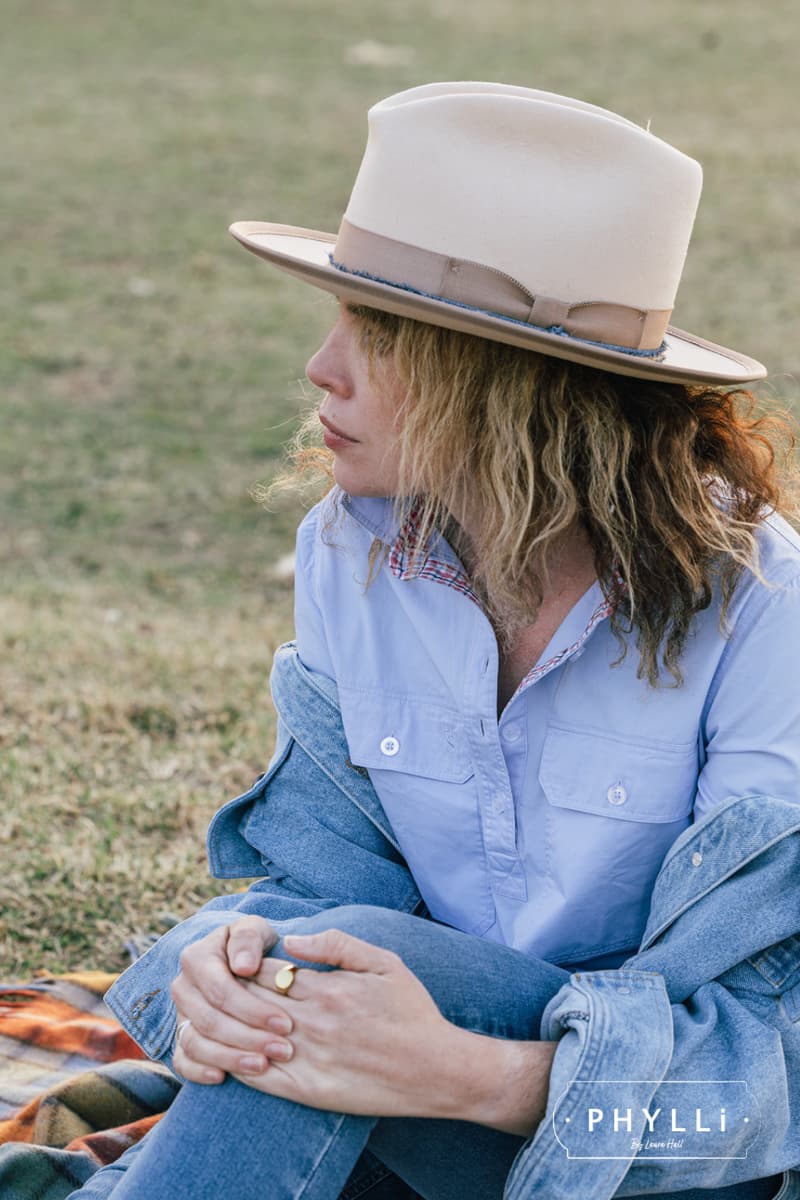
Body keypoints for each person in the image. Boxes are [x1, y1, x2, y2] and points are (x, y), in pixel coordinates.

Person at [68, 83, 800, 1200]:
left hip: (668, 1157)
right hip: (405, 1116)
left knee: (318, 984)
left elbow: (775, 1076)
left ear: (513, 385)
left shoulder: (762, 611)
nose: (321, 367)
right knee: (290, 977)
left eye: (376, 335)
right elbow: (317, 887)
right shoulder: (351, 554)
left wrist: (476, 1077)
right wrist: (224, 966)